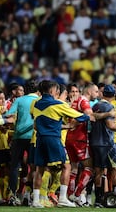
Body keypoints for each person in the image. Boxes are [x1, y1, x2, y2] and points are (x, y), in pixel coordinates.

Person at [31, 80, 90, 208]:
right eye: (56, 89)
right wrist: (85, 116)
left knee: (39, 169)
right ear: (52, 91)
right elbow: (82, 117)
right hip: (53, 139)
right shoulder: (58, 104)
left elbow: (35, 123)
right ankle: (63, 198)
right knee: (66, 167)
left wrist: (63, 126)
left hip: (40, 139)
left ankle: (35, 201)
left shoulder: (35, 103)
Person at [6, 80, 40, 206]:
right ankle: (29, 195)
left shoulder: (19, 100)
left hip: (18, 136)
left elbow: (9, 115)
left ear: (25, 90)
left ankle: (12, 195)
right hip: (34, 137)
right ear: (38, 90)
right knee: (35, 167)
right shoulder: (40, 100)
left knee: (14, 167)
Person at [90, 84, 116, 208]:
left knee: (98, 170)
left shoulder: (95, 105)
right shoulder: (109, 106)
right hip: (106, 143)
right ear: (113, 96)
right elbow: (110, 125)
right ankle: (114, 198)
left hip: (95, 142)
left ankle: (98, 200)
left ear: (103, 94)